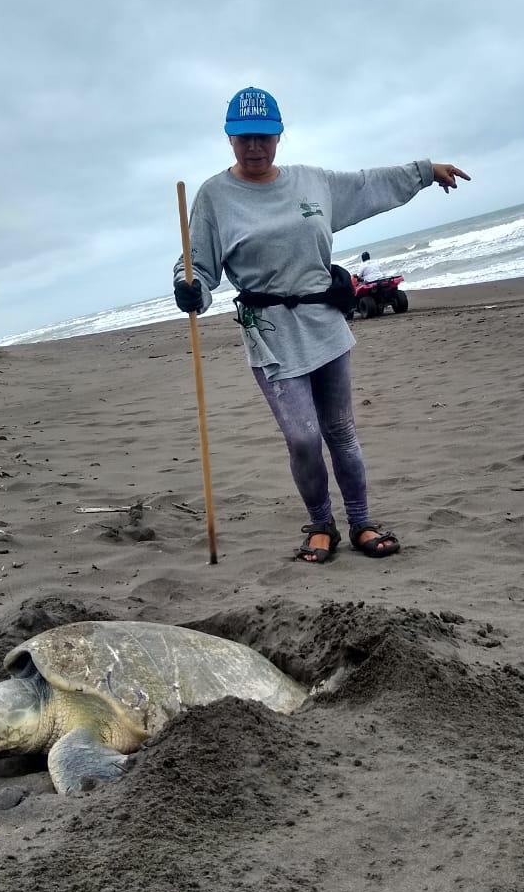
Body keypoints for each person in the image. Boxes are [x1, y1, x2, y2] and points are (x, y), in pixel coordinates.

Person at [173, 86, 470, 565]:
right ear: (229, 139)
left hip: (326, 324)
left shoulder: (312, 183)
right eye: (244, 137)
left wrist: (424, 171)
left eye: (264, 137)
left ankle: (361, 521)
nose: (254, 147)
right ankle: (320, 522)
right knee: (304, 437)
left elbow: (368, 185)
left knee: (340, 431)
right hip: (271, 334)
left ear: (279, 136)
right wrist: (189, 288)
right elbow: (199, 269)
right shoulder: (214, 197)